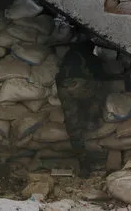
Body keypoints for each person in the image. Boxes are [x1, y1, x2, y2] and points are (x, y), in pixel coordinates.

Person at [55, 40, 109, 176]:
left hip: (63, 87)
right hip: (79, 84)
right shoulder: (91, 58)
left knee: (71, 120)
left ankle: (79, 155)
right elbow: (102, 78)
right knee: (101, 90)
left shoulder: (69, 55)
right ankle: (91, 120)